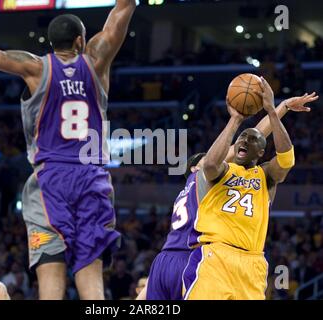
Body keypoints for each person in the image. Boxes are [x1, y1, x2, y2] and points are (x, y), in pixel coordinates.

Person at [0, 0, 137, 300]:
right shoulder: (96, 61)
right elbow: (122, 12)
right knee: (93, 291)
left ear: (51, 42)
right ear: (80, 41)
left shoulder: (35, 67)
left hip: (50, 183)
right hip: (92, 180)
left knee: (50, 289)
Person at [136, 92, 318, 300]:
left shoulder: (186, 189)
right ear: (196, 166)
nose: (224, 156)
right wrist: (276, 109)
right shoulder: (205, 175)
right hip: (196, 254)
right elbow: (255, 136)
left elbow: (253, 141)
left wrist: (279, 108)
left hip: (166, 256)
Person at [182, 77, 306, 300]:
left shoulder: (266, 175)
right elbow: (210, 164)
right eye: (242, 137)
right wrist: (236, 119)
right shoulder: (220, 171)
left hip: (253, 263)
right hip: (215, 255)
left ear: (261, 152)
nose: (245, 141)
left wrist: (272, 110)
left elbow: (286, 159)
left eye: (252, 140)